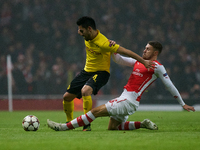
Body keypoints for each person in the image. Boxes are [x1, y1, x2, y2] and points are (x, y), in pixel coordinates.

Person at [48, 41, 195, 131]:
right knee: (113, 127)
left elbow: (170, 85)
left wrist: (182, 103)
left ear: (155, 53)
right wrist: (112, 47)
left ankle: (63, 127)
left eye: (148, 49)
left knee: (95, 111)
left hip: (129, 101)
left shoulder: (157, 66)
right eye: (144, 48)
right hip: (124, 97)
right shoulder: (139, 61)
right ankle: (142, 124)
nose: (144, 51)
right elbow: (119, 59)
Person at [62, 16, 154, 131]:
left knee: (85, 90)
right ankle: (69, 123)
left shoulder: (104, 43)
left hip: (101, 73)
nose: (79, 33)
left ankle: (86, 124)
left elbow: (127, 52)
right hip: (86, 71)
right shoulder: (88, 36)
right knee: (66, 97)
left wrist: (143, 61)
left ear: (89, 28)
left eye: (81, 30)